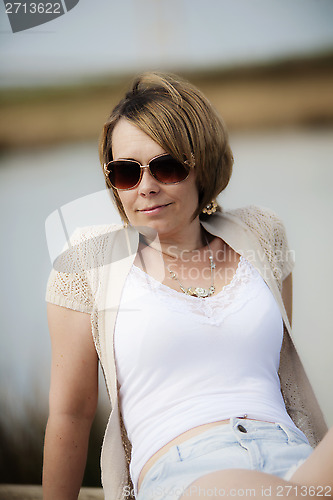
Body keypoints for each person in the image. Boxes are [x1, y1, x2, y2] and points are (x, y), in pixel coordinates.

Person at [43, 72, 332, 500]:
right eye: (126, 172)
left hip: (294, 458)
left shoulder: (261, 234)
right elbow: (70, 414)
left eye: (167, 166)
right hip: (185, 475)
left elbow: (276, 368)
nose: (146, 187)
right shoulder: (87, 262)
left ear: (203, 163)